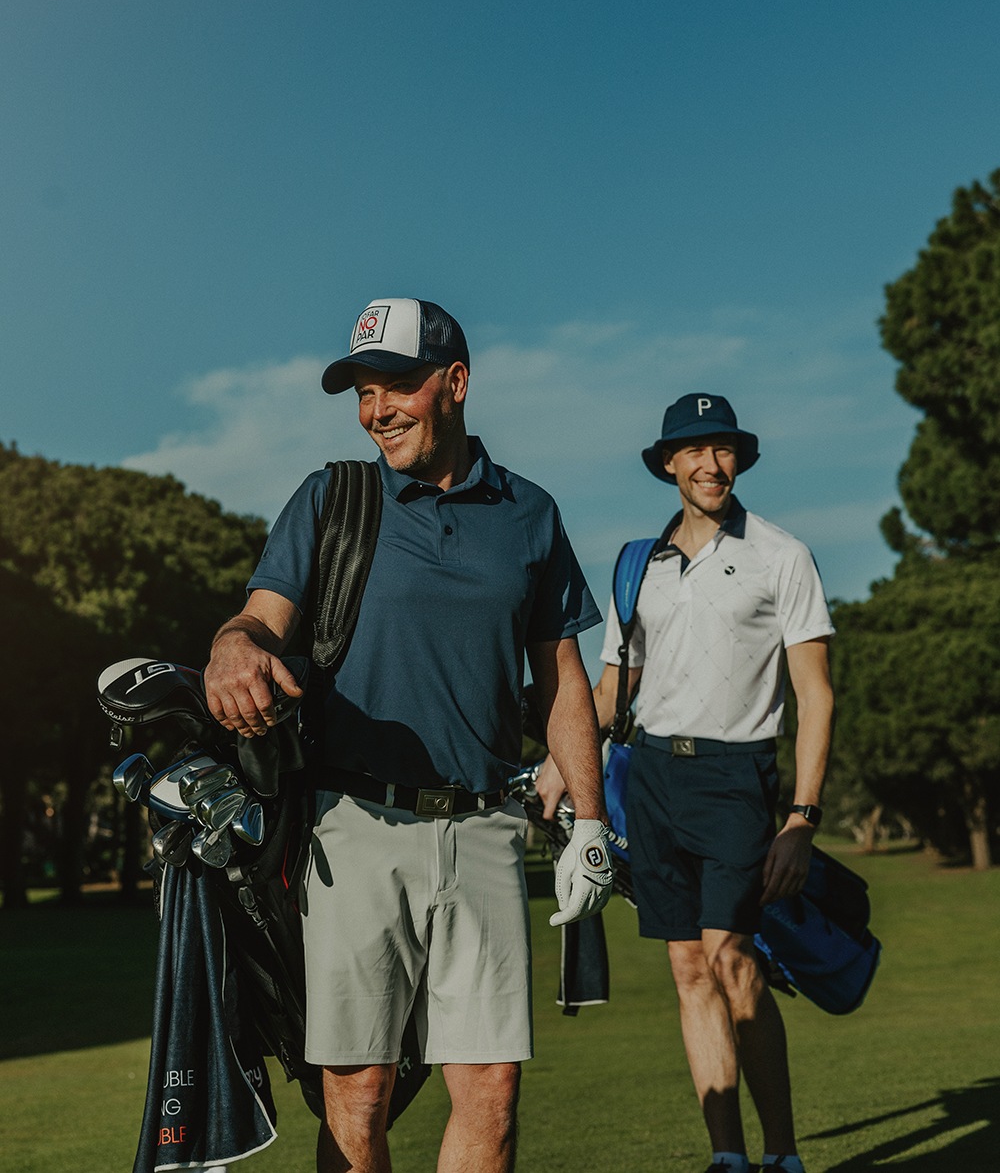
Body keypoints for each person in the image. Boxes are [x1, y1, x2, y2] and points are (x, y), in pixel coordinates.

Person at [204, 297, 614, 1173]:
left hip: (486, 828)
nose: (376, 410)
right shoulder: (333, 499)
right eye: (362, 392)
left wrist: (590, 817)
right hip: (355, 827)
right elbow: (258, 620)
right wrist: (232, 648)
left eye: (395, 386)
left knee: (492, 1093)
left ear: (455, 383)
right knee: (358, 1093)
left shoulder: (531, 513)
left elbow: (562, 680)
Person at [538, 393, 835, 1173]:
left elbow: (816, 695)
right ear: (669, 463)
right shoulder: (637, 563)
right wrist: (561, 760)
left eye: (723, 449)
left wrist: (802, 817)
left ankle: (783, 1155)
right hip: (653, 777)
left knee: (733, 957)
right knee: (688, 967)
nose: (711, 464)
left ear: (740, 460)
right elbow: (611, 690)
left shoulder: (782, 555)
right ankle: (728, 1157)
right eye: (695, 450)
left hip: (739, 775)